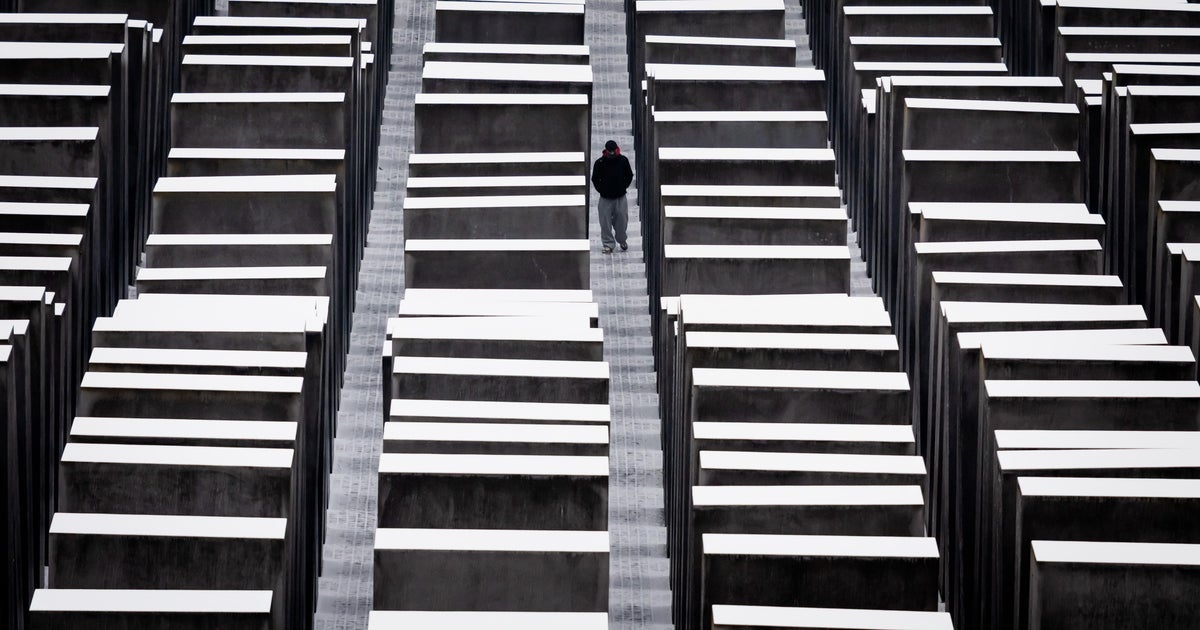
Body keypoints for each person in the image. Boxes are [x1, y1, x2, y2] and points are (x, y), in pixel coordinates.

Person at [591, 139, 633, 254]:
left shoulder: (623, 160)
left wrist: (623, 186)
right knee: (605, 222)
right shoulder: (599, 163)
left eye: (613, 150)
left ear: (616, 149)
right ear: (606, 151)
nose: (612, 153)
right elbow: (595, 178)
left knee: (622, 221)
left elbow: (629, 175)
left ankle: (622, 239)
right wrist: (602, 189)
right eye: (610, 151)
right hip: (605, 198)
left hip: (620, 197)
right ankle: (608, 244)